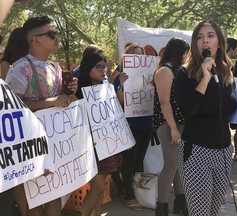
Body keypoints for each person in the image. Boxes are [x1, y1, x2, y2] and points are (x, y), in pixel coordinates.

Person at [174, 20, 237, 215]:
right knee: (200, 212)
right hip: (197, 151)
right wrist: (205, 77)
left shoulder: (226, 71)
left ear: (219, 41)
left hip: (224, 151)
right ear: (194, 43)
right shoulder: (185, 73)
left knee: (214, 210)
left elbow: (229, 110)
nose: (205, 41)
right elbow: (187, 111)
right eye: (200, 37)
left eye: (210, 36)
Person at [5, 15, 77, 216]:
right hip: (28, 149)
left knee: (54, 200)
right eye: (51, 33)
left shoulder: (55, 68)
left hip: (54, 145)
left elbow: (60, 103)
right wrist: (51, 102)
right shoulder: (20, 68)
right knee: (32, 209)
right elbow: (11, 109)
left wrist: (70, 93)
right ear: (35, 39)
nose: (56, 38)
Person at [75, 52, 122, 216]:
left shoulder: (105, 88)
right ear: (88, 69)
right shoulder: (79, 92)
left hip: (105, 144)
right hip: (91, 147)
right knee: (98, 187)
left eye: (105, 67)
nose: (104, 71)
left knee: (101, 189)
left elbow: (115, 111)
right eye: (99, 67)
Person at [152, 37, 190, 216]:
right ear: (179, 52)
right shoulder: (164, 71)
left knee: (177, 164)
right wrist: (173, 128)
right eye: (185, 52)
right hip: (167, 123)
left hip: (177, 122)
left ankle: (180, 201)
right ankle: (162, 206)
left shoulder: (175, 70)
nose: (187, 56)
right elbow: (164, 102)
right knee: (171, 165)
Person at [113, 42, 152, 211]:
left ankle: (140, 193)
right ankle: (129, 196)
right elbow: (118, 102)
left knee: (139, 160)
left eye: (141, 54)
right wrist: (121, 84)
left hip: (146, 122)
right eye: (135, 54)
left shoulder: (147, 73)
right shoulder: (120, 75)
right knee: (128, 162)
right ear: (128, 57)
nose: (139, 57)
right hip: (130, 124)